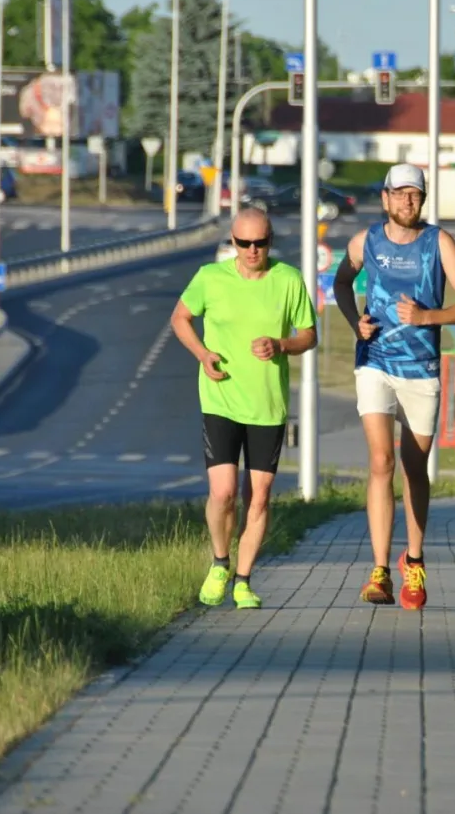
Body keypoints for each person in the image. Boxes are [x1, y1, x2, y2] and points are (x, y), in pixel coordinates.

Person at [333, 163, 455, 610]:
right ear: (384, 199)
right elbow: (343, 282)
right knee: (380, 462)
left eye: (414, 195)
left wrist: (428, 317)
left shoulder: (439, 243)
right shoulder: (366, 242)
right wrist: (353, 321)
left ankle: (413, 560)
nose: (407, 202)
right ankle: (379, 570)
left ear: (423, 198)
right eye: (399, 194)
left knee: (413, 467)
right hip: (374, 363)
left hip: (420, 369)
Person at [170, 208, 317, 610]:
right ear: (232, 243)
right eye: (244, 243)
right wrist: (202, 354)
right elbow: (180, 318)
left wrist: (281, 344)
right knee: (223, 493)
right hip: (220, 399)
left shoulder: (288, 280)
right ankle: (220, 562)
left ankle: (244, 580)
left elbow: (308, 334)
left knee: (260, 496)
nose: (253, 250)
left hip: (267, 406)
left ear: (271, 241)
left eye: (261, 243)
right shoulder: (210, 278)